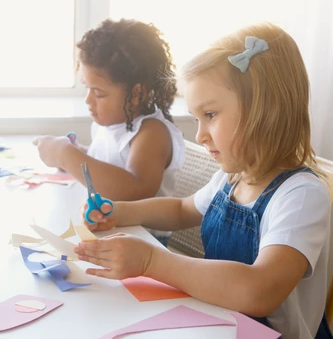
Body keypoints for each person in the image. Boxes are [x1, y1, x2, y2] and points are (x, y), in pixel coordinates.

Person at [74, 22, 332, 339]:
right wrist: (122, 212)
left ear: (266, 111)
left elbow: (259, 290)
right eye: (197, 119)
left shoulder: (302, 196)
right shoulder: (233, 175)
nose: (199, 135)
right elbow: (183, 210)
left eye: (210, 115)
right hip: (218, 323)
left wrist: (152, 260)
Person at [33, 18, 185, 245]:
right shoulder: (110, 124)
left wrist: (67, 154)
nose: (88, 100)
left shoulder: (151, 133)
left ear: (136, 93)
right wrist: (77, 154)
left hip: (143, 243)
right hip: (108, 229)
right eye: (87, 88)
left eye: (99, 93)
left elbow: (133, 191)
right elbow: (108, 167)